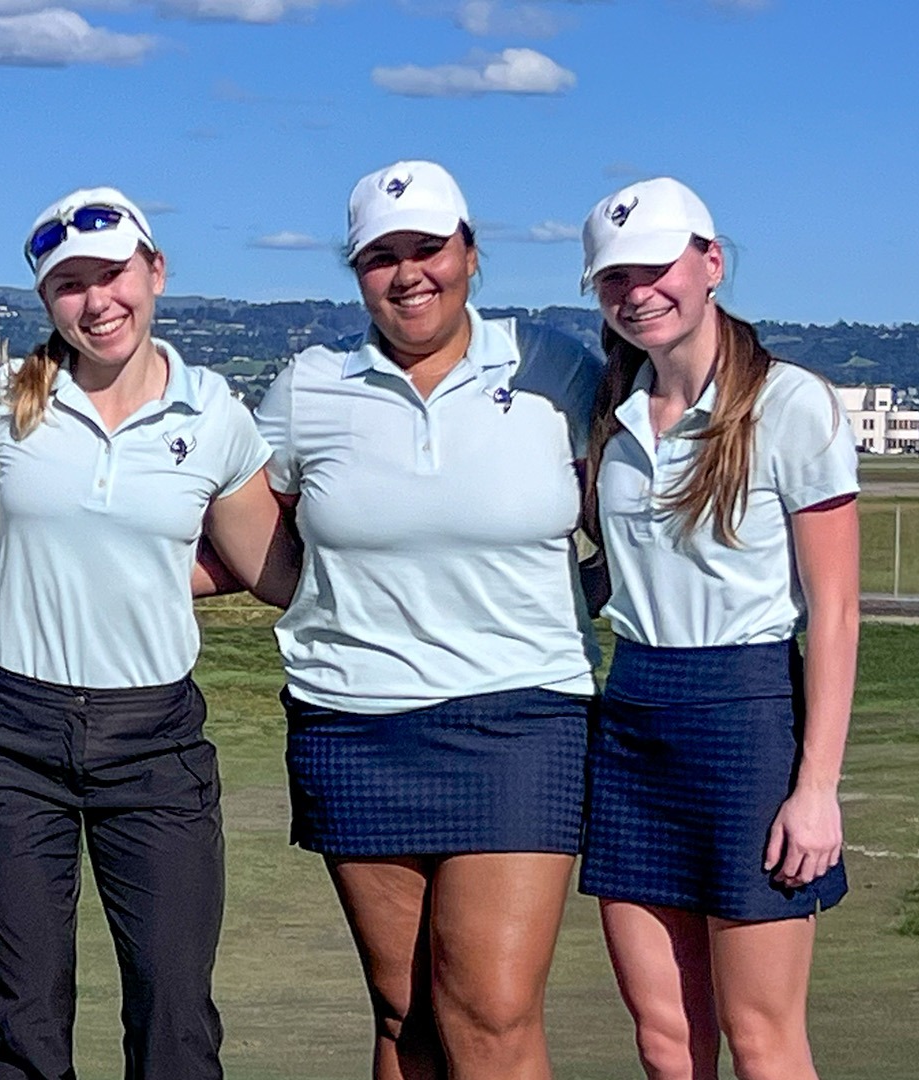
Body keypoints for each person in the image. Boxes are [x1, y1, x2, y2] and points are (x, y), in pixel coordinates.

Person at [252, 161, 602, 1080]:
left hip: (521, 716)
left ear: (472, 254)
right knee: (405, 1012)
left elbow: (632, 513)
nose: (409, 274)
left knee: (487, 1009)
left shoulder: (555, 367)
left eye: (429, 249)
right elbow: (247, 528)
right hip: (352, 719)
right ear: (357, 269)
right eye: (382, 256)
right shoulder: (310, 384)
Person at [0, 187, 286, 1080]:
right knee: (18, 1025)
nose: (98, 302)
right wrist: (34, 554)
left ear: (155, 271)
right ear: (46, 300)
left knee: (175, 1020)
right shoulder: (3, 399)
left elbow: (271, 569)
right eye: (70, 286)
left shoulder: (212, 414)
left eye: (113, 275)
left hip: (155, 742)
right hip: (17, 737)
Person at [577, 177, 858, 1080]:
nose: (636, 292)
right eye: (613, 277)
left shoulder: (792, 405)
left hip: (747, 720)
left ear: (711, 264)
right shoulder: (605, 415)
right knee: (666, 1042)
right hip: (632, 720)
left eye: (654, 268)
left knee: (763, 1038)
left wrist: (817, 787)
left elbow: (838, 611)